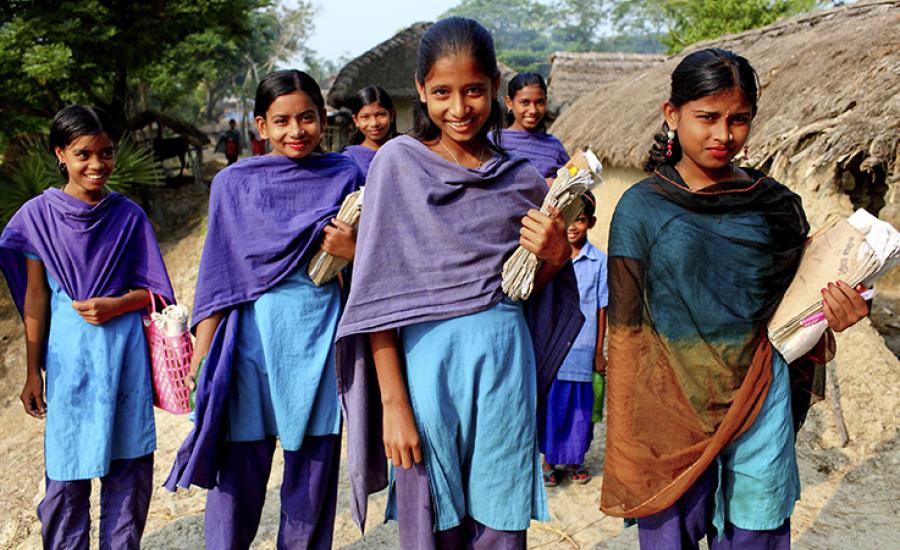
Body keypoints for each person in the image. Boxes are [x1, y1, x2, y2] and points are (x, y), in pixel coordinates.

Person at [601, 48, 870, 549]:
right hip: (669, 405)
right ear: (671, 114)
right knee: (670, 532)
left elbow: (801, 300)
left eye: (739, 119)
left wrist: (844, 308)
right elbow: (627, 333)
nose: (724, 135)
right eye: (707, 118)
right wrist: (630, 439)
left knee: (757, 530)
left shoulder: (776, 207)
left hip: (758, 393)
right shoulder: (642, 210)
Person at [335, 17, 584, 549]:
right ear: (421, 90)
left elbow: (528, 287)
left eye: (473, 90)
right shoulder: (397, 165)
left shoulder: (519, 177)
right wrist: (394, 404)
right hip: (425, 366)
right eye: (442, 92)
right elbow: (377, 295)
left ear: (495, 86)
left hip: (504, 366)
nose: (459, 107)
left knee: (499, 523)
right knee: (431, 520)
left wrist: (558, 258)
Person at [165, 70, 364, 550]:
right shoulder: (233, 184)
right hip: (250, 344)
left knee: (312, 478)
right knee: (238, 475)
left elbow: (379, 259)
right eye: (282, 121)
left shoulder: (348, 175)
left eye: (307, 118)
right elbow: (219, 274)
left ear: (323, 119)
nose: (296, 131)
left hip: (320, 339)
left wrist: (354, 246)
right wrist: (201, 356)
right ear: (260, 126)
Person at [0, 105, 175, 549]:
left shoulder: (128, 216)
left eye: (106, 153)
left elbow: (154, 293)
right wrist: (31, 371)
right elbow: (35, 298)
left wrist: (119, 304)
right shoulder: (37, 217)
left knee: (129, 472)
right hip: (68, 360)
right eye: (83, 154)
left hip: (124, 354)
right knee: (66, 475)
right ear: (60, 154)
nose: (97, 165)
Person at [540, 191, 607, 488]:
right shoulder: (548, 260)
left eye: (580, 219)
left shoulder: (599, 261)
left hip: (583, 349)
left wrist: (598, 352)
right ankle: (549, 462)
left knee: (581, 409)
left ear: (590, 223)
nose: (573, 226)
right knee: (552, 407)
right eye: (568, 219)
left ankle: (575, 460)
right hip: (554, 350)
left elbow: (602, 307)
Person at [491, 73, 569, 184]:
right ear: (509, 103)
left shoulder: (554, 147)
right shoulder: (494, 141)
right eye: (525, 103)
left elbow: (572, 182)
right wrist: (542, 184)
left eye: (539, 102)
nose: (533, 110)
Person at [342, 85, 398, 176]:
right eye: (365, 117)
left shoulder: (404, 150)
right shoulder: (349, 159)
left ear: (391, 115)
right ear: (356, 120)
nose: (374, 123)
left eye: (380, 115)